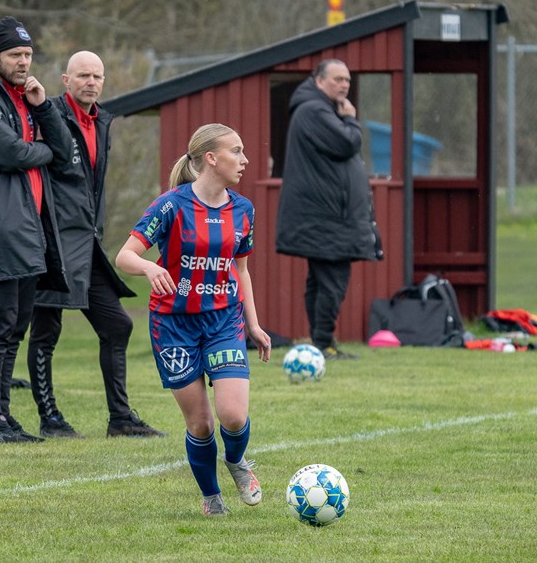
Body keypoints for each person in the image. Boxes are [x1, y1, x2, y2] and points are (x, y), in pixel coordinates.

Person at [116, 123, 272, 516]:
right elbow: (125, 256)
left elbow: (241, 270)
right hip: (173, 325)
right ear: (211, 158)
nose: (244, 160)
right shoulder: (170, 205)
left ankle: (236, 462)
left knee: (233, 415)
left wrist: (254, 325)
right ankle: (211, 497)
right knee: (201, 424)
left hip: (223, 320)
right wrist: (150, 268)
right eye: (236, 151)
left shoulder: (243, 210)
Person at [26, 51, 165, 439]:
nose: (91, 82)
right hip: (52, 243)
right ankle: (49, 417)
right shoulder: (48, 113)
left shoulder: (102, 120)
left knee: (117, 325)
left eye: (97, 76)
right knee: (46, 330)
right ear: (66, 80)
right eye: (83, 75)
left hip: (86, 243)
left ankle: (120, 419)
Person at [0, 16, 71, 443]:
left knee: (16, 327)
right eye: (14, 55)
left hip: (26, 231)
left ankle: (3, 418)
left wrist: (43, 107)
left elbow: (64, 151)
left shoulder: (24, 98)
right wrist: (40, 151)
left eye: (27, 55)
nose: (23, 62)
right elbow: (11, 153)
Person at [275, 59, 379, 360]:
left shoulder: (317, 109)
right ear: (319, 81)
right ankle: (323, 343)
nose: (344, 85)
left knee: (321, 281)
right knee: (332, 282)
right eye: (337, 79)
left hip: (324, 217)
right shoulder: (314, 111)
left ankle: (321, 341)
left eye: (347, 79)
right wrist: (351, 120)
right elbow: (348, 143)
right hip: (326, 218)